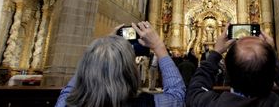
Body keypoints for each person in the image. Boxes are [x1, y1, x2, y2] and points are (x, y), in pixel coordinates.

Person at [55, 21, 185, 107]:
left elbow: (67, 90)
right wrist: (159, 47)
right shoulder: (148, 104)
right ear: (130, 72)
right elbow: (177, 96)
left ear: (86, 69)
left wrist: (105, 44)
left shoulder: (66, 103)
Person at [186, 24, 279, 107]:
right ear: (272, 73)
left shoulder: (208, 104)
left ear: (227, 73)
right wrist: (271, 54)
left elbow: (196, 88)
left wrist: (216, 52)